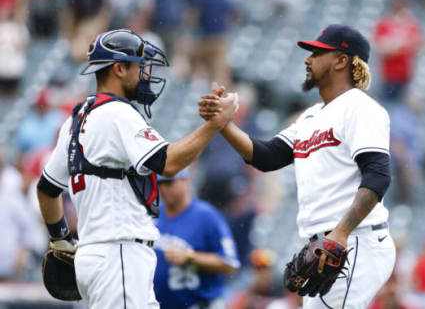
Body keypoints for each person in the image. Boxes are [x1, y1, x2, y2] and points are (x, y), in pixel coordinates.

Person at [36, 29, 237, 308]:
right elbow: (169, 163)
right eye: (140, 66)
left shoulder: (75, 121)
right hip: (118, 254)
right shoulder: (119, 114)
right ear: (119, 68)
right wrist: (215, 124)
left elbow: (47, 189)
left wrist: (60, 240)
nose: (145, 74)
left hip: (94, 256)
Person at [199, 24, 396, 309]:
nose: (308, 59)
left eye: (317, 53)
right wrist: (224, 124)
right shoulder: (311, 117)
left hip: (354, 241)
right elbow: (266, 157)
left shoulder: (361, 108)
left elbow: (378, 176)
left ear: (341, 60)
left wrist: (340, 233)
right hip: (328, 244)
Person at [152, 168, 239, 308]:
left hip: (200, 304)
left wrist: (190, 257)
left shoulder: (207, 216)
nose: (163, 189)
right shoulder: (153, 215)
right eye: (159, 184)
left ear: (186, 181)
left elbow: (230, 264)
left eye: (169, 183)